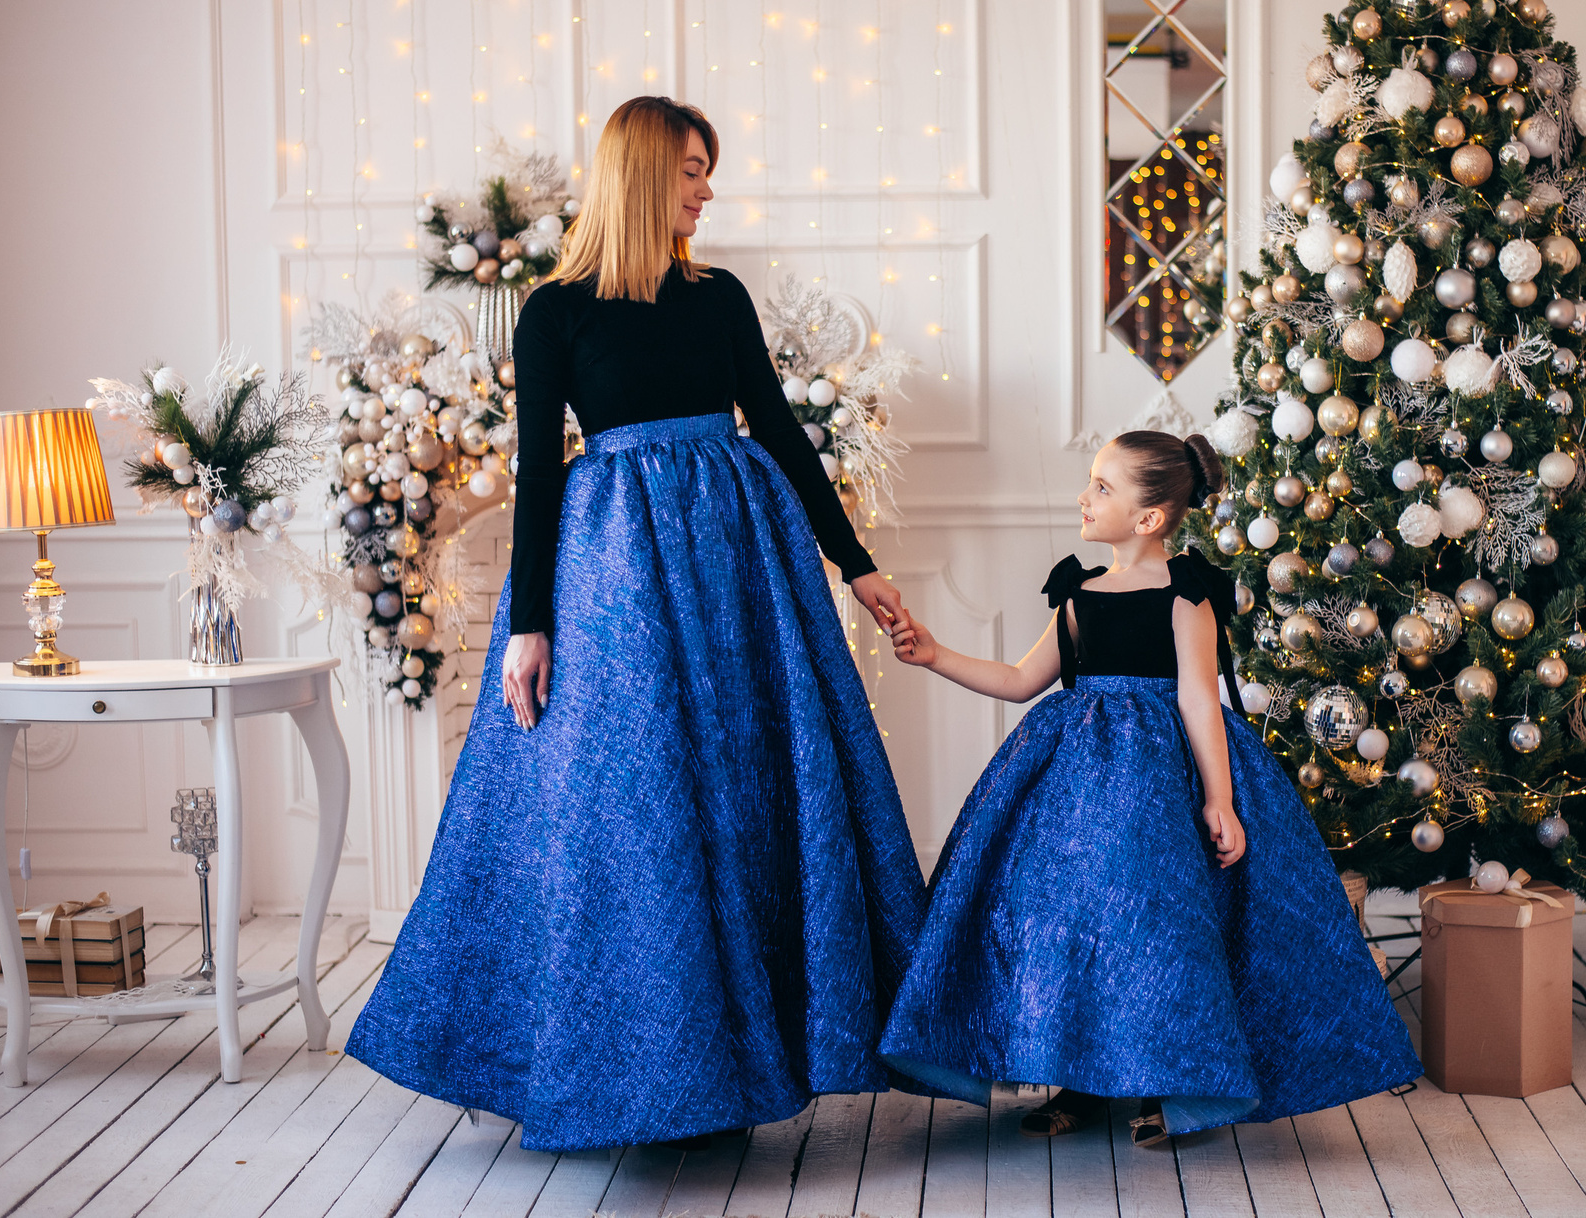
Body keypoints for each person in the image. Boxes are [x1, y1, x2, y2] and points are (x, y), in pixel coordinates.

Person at [346, 96, 928, 1154]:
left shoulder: (719, 296)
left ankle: (745, 1059)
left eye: (708, 171)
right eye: (693, 170)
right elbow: (537, 474)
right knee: (636, 798)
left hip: (739, 564)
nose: (707, 190)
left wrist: (857, 564)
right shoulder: (555, 312)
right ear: (646, 173)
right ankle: (644, 1062)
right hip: (616, 571)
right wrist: (530, 625)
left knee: (748, 787)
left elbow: (780, 430)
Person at [878, 431, 1421, 1144]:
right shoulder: (1077, 592)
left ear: (1149, 517)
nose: (1084, 496)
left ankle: (1170, 1084)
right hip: (1073, 790)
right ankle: (1080, 1076)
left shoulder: (1185, 594)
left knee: (1156, 926)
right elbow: (1019, 680)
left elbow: (1198, 697)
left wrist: (1218, 799)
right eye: (1090, 481)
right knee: (1070, 920)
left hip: (1160, 784)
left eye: (1102, 487)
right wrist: (934, 655)